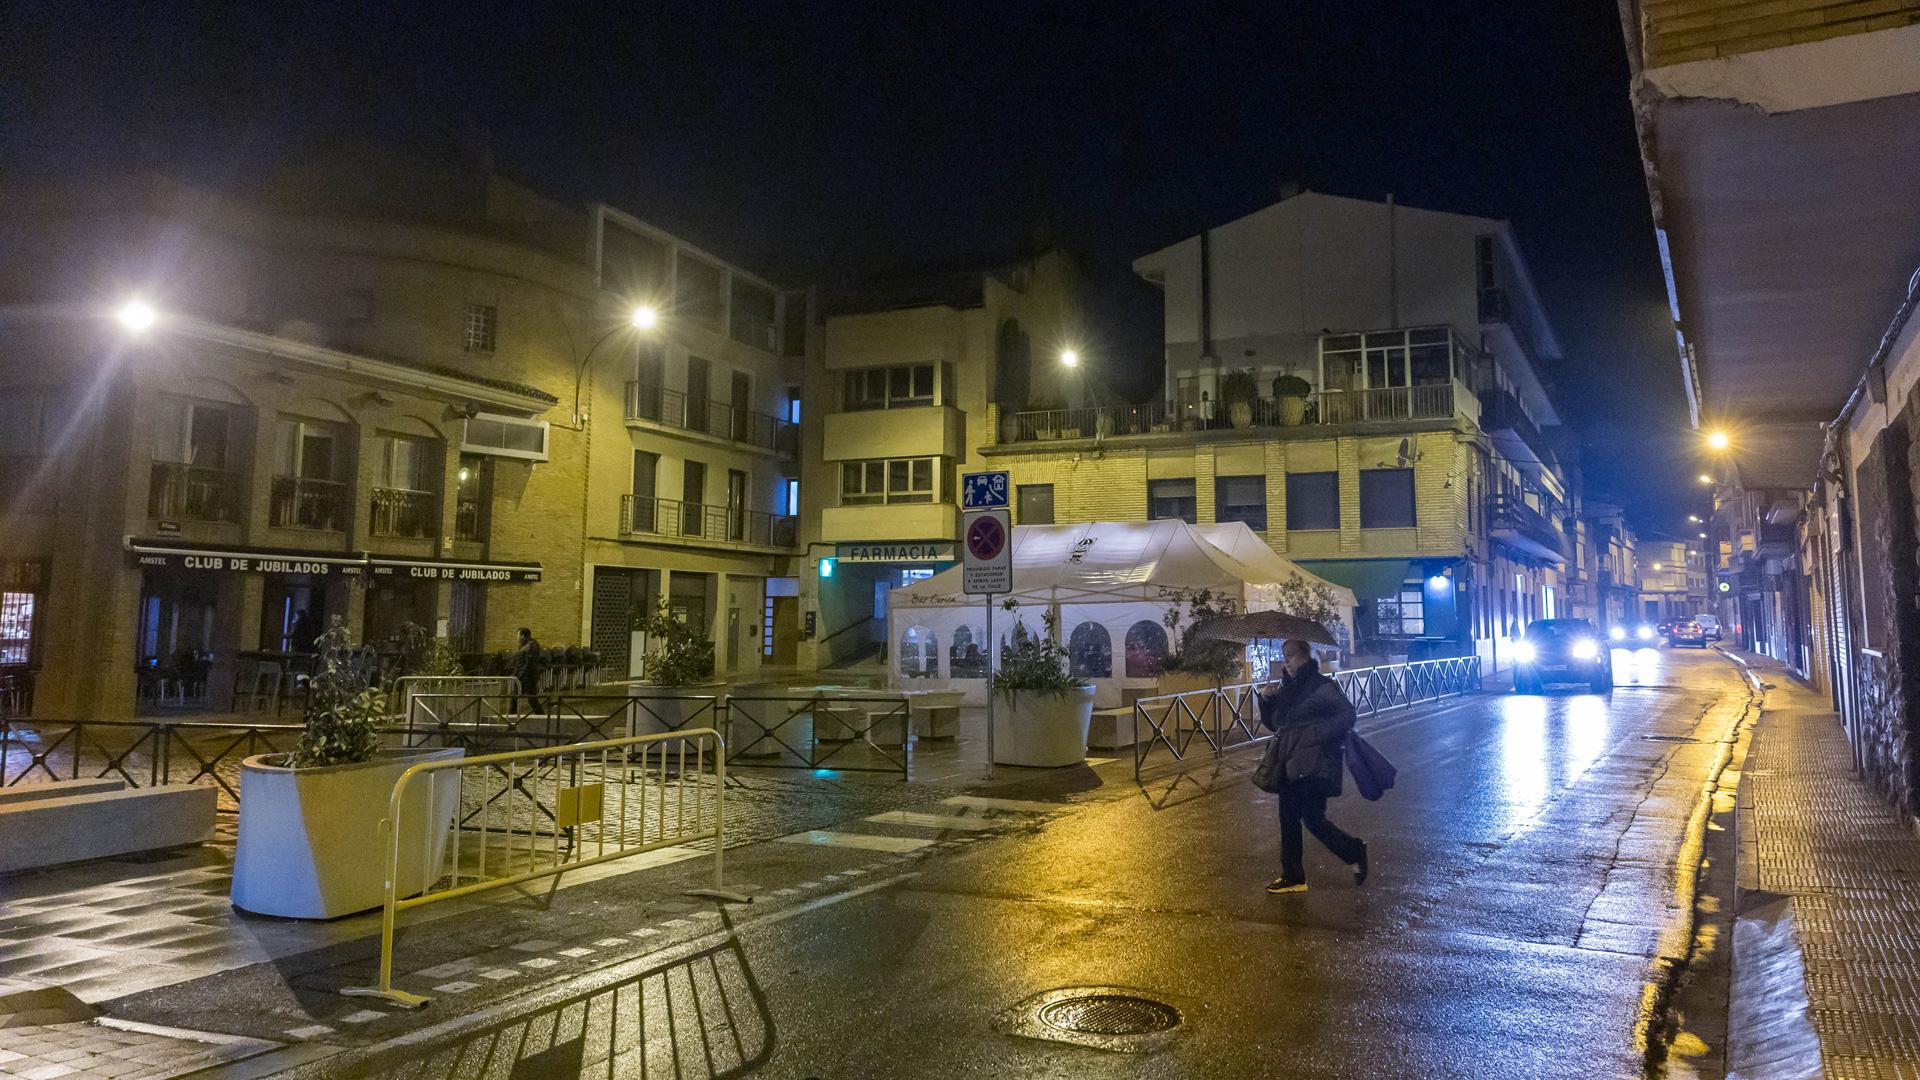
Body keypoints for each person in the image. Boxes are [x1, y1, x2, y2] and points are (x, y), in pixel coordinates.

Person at [1256, 638, 1368, 894]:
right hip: (1289, 762)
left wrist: (1316, 734)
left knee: (1313, 819)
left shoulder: (1321, 686)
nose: (1287, 662)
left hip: (1316, 764)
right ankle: (1293, 876)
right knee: (1288, 819)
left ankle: (1354, 850)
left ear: (1305, 656)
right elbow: (1277, 725)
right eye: (1284, 657)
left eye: (1291, 656)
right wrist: (1266, 700)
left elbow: (1347, 715)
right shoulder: (1287, 689)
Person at [513, 627, 548, 715]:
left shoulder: (530, 646)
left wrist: (520, 674)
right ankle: (511, 716)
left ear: (523, 636)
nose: (517, 637)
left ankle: (541, 716)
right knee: (516, 698)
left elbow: (527, 663)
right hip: (524, 675)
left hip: (527, 676)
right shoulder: (526, 645)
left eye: (518, 635)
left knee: (531, 699)